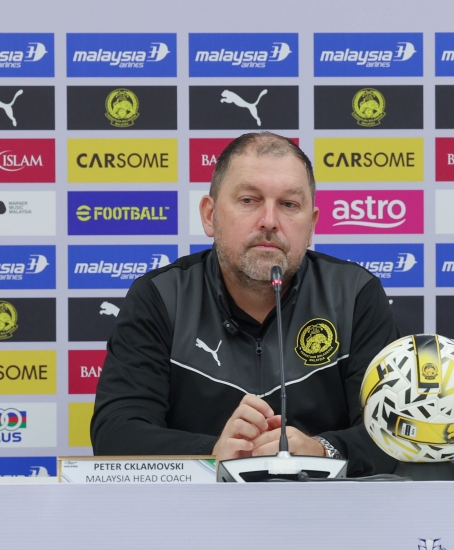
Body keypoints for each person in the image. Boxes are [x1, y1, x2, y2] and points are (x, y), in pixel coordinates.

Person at [91, 132, 400, 475]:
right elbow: (115, 433)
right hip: (197, 517)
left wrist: (321, 450)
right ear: (210, 216)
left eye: (289, 205)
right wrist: (213, 453)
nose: (269, 220)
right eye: (249, 200)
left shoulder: (354, 294)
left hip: (327, 514)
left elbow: (392, 433)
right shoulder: (162, 297)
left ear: (311, 226)